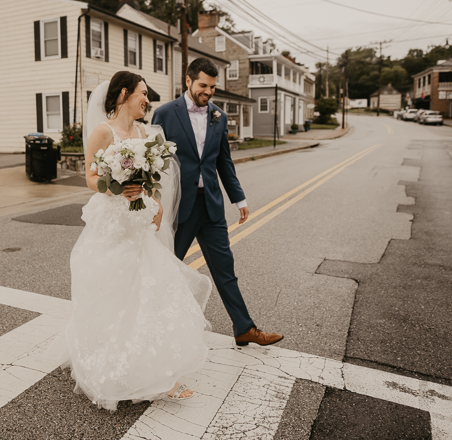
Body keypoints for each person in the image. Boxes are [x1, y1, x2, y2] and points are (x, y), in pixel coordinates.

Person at [55, 71, 212, 411]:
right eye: (143, 93)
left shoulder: (144, 132)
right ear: (125, 93)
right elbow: (90, 178)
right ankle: (113, 364)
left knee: (149, 290)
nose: (147, 100)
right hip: (113, 223)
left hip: (138, 222)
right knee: (116, 291)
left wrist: (154, 203)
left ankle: (158, 371)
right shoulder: (102, 131)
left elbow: (154, 178)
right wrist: (116, 186)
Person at [151, 57, 283, 347]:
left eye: (212, 87)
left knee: (225, 270)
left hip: (211, 205)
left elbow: (224, 162)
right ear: (188, 81)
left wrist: (239, 198)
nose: (208, 92)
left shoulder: (218, 116)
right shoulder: (164, 114)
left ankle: (244, 328)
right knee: (165, 268)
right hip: (179, 208)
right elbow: (155, 165)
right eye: (203, 85)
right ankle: (150, 329)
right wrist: (155, 202)